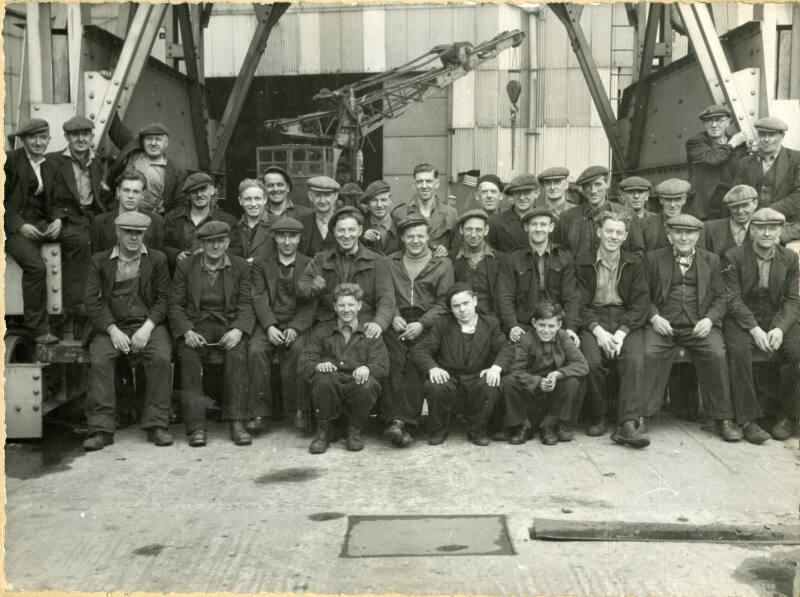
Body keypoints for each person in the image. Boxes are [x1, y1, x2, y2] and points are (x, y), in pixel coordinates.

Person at [643, 214, 741, 443]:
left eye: (689, 233)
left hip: (698, 327)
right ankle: (642, 415)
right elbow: (642, 295)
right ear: (669, 235)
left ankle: (722, 418)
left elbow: (721, 298)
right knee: (648, 353)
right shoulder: (653, 259)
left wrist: (709, 319)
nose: (684, 237)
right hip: (664, 326)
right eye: (678, 232)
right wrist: (655, 316)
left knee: (717, 354)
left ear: (698, 235)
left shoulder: (712, 260)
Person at [82, 212, 173, 451]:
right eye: (128, 232)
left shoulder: (157, 259)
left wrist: (147, 328)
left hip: (147, 324)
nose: (134, 237)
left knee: (161, 357)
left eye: (138, 233)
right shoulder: (99, 261)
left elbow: (164, 299)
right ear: (118, 233)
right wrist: (112, 330)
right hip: (111, 326)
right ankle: (101, 429)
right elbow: (92, 301)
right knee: (101, 360)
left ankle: (157, 424)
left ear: (145, 234)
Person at [169, 221, 255, 447]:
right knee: (187, 357)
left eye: (220, 241)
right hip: (197, 325)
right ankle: (196, 426)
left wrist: (237, 330)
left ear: (227, 242)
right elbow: (175, 305)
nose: (215, 246)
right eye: (210, 242)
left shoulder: (240, 266)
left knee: (238, 355)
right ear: (202, 244)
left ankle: (237, 421)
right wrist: (187, 331)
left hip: (228, 324)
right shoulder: (186, 266)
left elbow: (246, 303)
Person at [722, 208, 800, 443]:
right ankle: (748, 420)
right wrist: (754, 329)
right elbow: (732, 299)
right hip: (743, 318)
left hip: (777, 318)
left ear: (780, 231)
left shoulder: (790, 258)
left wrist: (779, 328)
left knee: (796, 350)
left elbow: (793, 299)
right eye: (761, 228)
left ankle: (787, 416)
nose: (767, 233)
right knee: (739, 351)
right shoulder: (733, 256)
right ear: (752, 230)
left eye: (773, 228)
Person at [574, 212, 649, 443]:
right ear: (599, 232)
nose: (613, 236)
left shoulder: (635, 263)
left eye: (619, 232)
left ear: (625, 236)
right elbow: (578, 303)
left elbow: (640, 303)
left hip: (625, 319)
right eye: (609, 231)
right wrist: (598, 331)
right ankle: (598, 416)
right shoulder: (583, 262)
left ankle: (628, 422)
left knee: (634, 359)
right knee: (591, 362)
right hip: (593, 318)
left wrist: (621, 332)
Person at [383, 215, 454, 447]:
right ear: (402, 238)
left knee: (416, 359)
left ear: (428, 237)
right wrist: (393, 316)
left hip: (429, 321)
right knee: (393, 359)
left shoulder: (442, 264)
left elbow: (444, 301)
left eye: (420, 236)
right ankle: (392, 420)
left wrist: (422, 323)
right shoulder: (390, 261)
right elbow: (385, 294)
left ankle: (403, 423)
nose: (415, 241)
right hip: (398, 319)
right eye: (410, 236)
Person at [410, 283, 508, 446]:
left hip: (477, 377)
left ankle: (477, 429)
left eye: (466, 303)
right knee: (435, 384)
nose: (462, 310)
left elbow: (506, 348)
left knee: (491, 383)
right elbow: (420, 350)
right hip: (451, 378)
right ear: (451, 308)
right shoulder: (442, 324)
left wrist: (496, 368)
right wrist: (432, 368)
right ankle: (439, 429)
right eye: (456, 306)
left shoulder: (490, 323)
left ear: (475, 301)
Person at [299, 283, 388, 454]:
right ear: (334, 307)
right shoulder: (322, 330)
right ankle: (323, 431)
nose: (346, 310)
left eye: (351, 305)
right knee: (324, 378)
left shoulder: (370, 332)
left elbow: (382, 364)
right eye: (341, 305)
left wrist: (368, 368)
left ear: (359, 306)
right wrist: (318, 365)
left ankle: (355, 431)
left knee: (367, 383)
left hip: (356, 387)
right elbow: (305, 361)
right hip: (331, 388)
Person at [248, 217, 316, 434]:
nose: (287, 241)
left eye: (292, 236)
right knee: (256, 351)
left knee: (299, 351)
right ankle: (260, 412)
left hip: (297, 323)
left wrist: (296, 328)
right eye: (282, 236)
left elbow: (311, 303)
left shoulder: (309, 264)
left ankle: (300, 410)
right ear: (275, 238)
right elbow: (258, 296)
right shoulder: (261, 262)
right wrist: (269, 326)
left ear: (299, 238)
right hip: (270, 321)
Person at [500, 300, 588, 445]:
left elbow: (582, 365)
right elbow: (516, 370)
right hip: (531, 391)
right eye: (542, 325)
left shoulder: (563, 337)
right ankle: (523, 426)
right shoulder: (525, 339)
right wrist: (538, 382)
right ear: (534, 323)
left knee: (572, 381)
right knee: (508, 381)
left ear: (559, 325)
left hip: (554, 394)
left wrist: (557, 374)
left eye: (551, 326)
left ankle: (550, 425)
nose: (546, 330)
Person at [48, 116, 109, 326]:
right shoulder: (54, 161)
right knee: (81, 242)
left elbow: (101, 194)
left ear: (91, 136)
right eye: (75, 135)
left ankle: (105, 299)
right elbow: (50, 196)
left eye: (85, 134)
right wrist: (57, 218)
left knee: (108, 240)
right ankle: (78, 301)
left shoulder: (97, 162)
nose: (81, 139)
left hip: (91, 215)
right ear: (67, 137)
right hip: (68, 217)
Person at [4, 118, 60, 343]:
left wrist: (58, 220)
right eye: (32, 137)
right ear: (23, 140)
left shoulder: (50, 165)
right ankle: (38, 330)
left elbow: (56, 201)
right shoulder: (9, 161)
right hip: (11, 227)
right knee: (36, 267)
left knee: (77, 241)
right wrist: (19, 225)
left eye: (43, 137)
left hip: (41, 222)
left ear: (48, 139)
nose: (38, 142)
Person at [298, 206, 395, 334]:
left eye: (352, 230)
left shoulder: (377, 261)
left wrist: (379, 323)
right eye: (341, 230)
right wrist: (313, 287)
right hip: (329, 321)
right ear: (333, 231)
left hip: (364, 321)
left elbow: (386, 298)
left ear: (360, 230)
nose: (347, 235)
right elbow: (303, 285)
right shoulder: (322, 258)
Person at [496, 207, 582, 344]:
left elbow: (571, 297)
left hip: (555, 323)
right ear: (526, 227)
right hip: (524, 323)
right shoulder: (512, 258)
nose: (538, 229)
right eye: (534, 224)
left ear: (551, 227)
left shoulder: (564, 257)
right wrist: (512, 325)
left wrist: (571, 327)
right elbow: (505, 296)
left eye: (543, 224)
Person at [553, 165, 644, 260]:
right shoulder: (568, 217)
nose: (593, 190)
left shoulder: (627, 214)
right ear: (582, 190)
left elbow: (637, 253)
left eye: (598, 184)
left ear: (607, 184)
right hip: (576, 274)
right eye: (588, 186)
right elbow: (559, 254)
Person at [733, 117, 800, 244]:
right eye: (762, 134)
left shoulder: (797, 159)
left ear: (782, 136)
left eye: (772, 135)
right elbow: (736, 193)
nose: (766, 139)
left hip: (786, 225)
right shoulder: (744, 163)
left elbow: (798, 196)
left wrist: (767, 212)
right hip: (752, 224)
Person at [107, 119, 187, 214]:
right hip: (119, 213)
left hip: (150, 220)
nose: (153, 143)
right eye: (149, 139)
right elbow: (115, 129)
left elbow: (180, 206)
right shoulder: (132, 151)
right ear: (143, 142)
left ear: (166, 143)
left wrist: (163, 221)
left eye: (158, 140)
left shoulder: (177, 172)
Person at [685, 104, 749, 220]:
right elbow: (712, 159)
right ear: (704, 124)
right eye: (709, 121)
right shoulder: (695, 142)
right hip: (705, 204)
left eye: (719, 120)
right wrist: (732, 144)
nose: (713, 125)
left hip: (730, 201)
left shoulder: (740, 146)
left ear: (728, 122)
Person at [163, 172, 236, 268]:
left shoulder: (227, 220)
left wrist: (212, 253)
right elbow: (162, 245)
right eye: (194, 191)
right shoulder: (173, 217)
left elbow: (237, 249)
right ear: (188, 195)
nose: (199, 194)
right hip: (180, 274)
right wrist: (176, 254)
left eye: (203, 189)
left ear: (212, 190)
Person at [449, 209, 512, 318]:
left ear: (486, 230)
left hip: (492, 320)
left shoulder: (501, 259)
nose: (473, 234)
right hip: (459, 319)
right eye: (469, 229)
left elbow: (505, 297)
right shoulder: (451, 258)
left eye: (478, 229)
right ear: (461, 230)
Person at [391, 163, 458, 256]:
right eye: (419, 182)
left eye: (429, 181)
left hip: (440, 267)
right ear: (413, 185)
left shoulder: (451, 214)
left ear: (437, 184)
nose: (424, 186)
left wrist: (447, 252)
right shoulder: (400, 214)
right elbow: (394, 251)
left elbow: (457, 249)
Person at [91, 170, 165, 252]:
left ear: (142, 195)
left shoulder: (156, 222)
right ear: (118, 192)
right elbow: (95, 260)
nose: (130, 196)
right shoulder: (99, 223)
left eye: (136, 192)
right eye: (126, 190)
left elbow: (159, 259)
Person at [486, 174, 537, 253]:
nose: (522, 197)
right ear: (512, 195)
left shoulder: (547, 220)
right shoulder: (495, 222)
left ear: (537, 193)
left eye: (527, 192)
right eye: (517, 193)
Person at [228, 179, 275, 264]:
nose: (253, 204)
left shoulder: (278, 224)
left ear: (265, 200)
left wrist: (258, 262)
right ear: (240, 201)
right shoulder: (234, 227)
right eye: (248, 199)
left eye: (257, 198)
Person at [703, 185, 758, 256]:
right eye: (734, 207)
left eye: (745, 205)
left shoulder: (763, 229)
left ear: (755, 203)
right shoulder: (708, 229)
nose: (740, 211)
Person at [641, 178, 692, 252]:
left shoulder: (693, 225)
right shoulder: (644, 225)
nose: (672, 205)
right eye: (668, 200)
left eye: (677, 199)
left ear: (684, 200)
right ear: (661, 200)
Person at [299, 176, 340, 255]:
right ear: (310, 196)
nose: (322, 201)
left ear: (335, 196)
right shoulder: (302, 224)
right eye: (317, 195)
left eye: (327, 195)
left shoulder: (344, 222)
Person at [360, 180, 400, 255]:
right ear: (368, 203)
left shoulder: (400, 226)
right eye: (374, 200)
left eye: (383, 200)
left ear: (390, 201)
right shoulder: (360, 228)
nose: (379, 205)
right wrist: (362, 240)